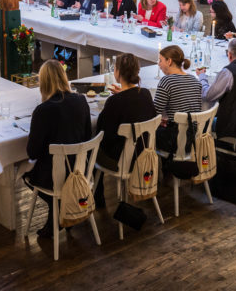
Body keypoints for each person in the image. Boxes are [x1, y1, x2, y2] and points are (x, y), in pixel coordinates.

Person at [25, 60, 91, 238]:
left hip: (53, 176)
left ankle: (59, 209)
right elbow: (87, 137)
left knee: (25, 175)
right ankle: (65, 208)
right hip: (79, 170)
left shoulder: (43, 110)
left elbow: (32, 152)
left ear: (43, 82)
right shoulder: (81, 100)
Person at [96, 53, 157, 171]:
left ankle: (98, 189)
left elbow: (102, 132)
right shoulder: (145, 93)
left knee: (91, 151)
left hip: (120, 159)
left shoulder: (114, 101)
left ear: (117, 72)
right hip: (143, 151)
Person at [153, 45, 203, 153]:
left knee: (143, 133)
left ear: (169, 61)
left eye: (160, 60)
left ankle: (151, 167)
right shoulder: (194, 79)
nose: (159, 64)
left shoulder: (167, 81)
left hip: (175, 140)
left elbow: (154, 112)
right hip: (194, 137)